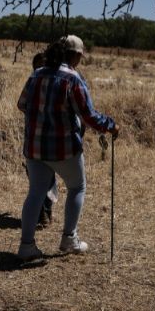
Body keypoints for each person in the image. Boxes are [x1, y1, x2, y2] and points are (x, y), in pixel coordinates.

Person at [16, 35, 119, 260]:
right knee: (77, 187)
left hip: (35, 147)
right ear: (76, 55)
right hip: (64, 148)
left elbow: (21, 104)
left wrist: (42, 118)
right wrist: (111, 126)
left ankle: (26, 245)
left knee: (35, 192)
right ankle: (69, 238)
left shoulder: (36, 74)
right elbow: (89, 116)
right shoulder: (72, 78)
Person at [29, 52, 58, 229]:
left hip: (35, 138)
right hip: (47, 139)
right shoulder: (53, 82)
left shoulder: (32, 81)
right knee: (45, 178)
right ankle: (43, 213)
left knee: (43, 178)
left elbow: (22, 105)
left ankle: (45, 212)